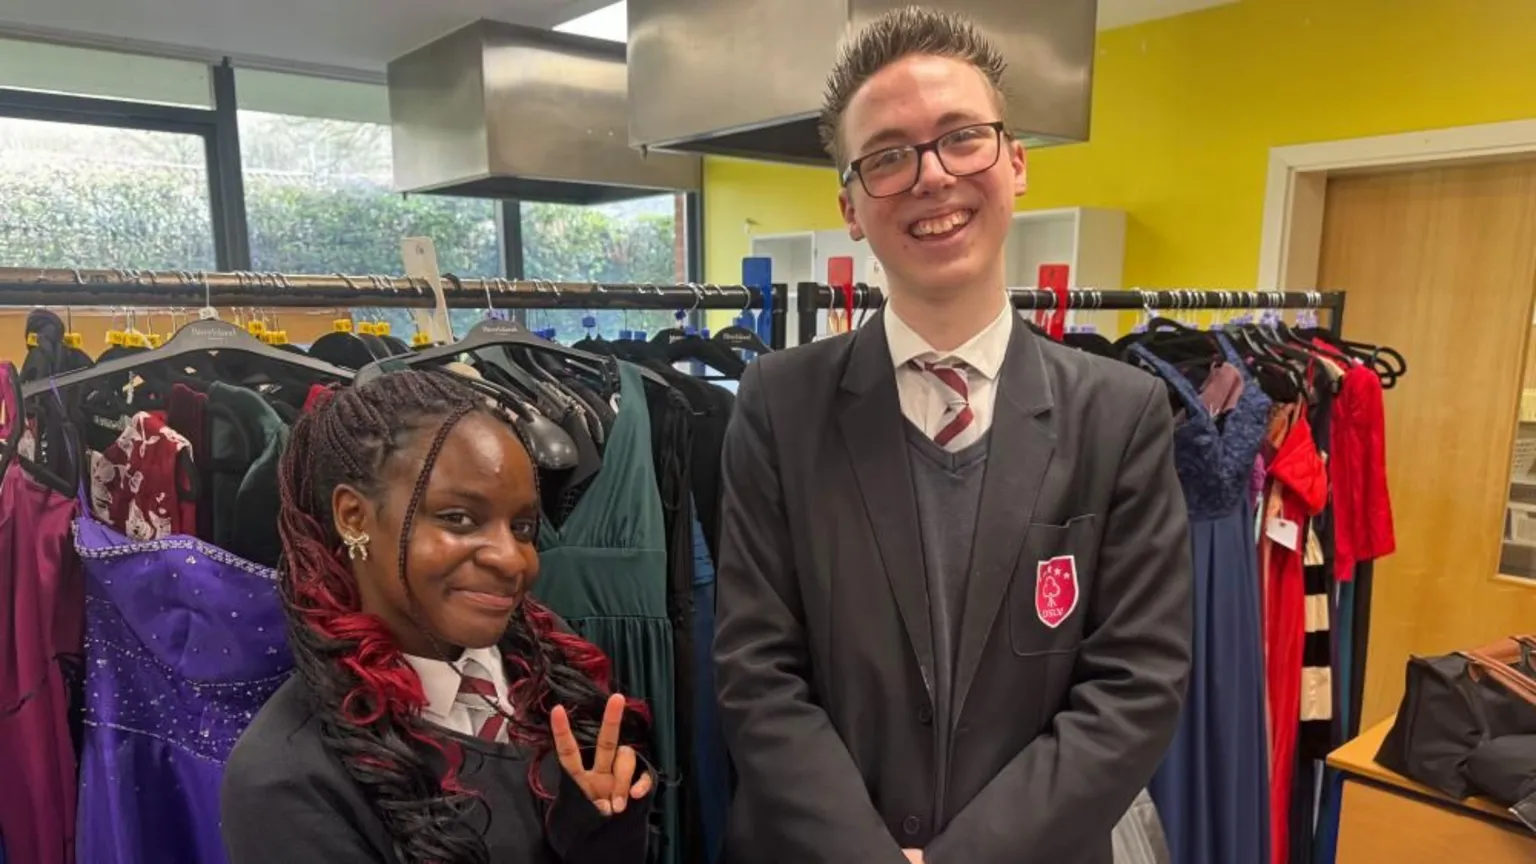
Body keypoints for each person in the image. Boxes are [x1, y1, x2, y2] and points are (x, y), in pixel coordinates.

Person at [713, 8, 1193, 864]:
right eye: (888, 156)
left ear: (1015, 163)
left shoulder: (1120, 415)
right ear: (851, 205)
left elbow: (1135, 688)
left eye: (961, 138)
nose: (931, 177)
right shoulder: (777, 404)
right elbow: (757, 673)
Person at [221, 370, 654, 864]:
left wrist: (602, 834)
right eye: (459, 519)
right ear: (354, 517)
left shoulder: (556, 680)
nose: (512, 559)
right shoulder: (290, 778)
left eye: (523, 526)